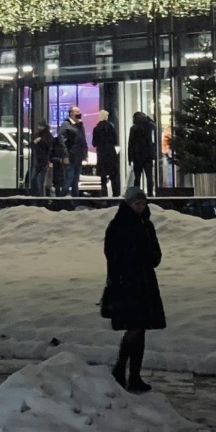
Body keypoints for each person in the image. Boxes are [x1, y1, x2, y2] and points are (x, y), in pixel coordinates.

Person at [101, 189, 165, 393]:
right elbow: (113, 255)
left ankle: (130, 373)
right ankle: (122, 370)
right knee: (135, 327)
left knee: (140, 328)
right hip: (127, 283)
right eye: (137, 204)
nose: (141, 207)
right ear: (128, 204)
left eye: (143, 204)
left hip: (143, 282)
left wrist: (148, 257)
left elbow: (155, 254)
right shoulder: (119, 226)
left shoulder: (145, 224)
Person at [127, 109, 156, 195]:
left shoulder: (133, 128)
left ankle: (137, 194)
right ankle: (150, 193)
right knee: (149, 177)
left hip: (137, 156)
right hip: (148, 155)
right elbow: (155, 125)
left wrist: (130, 158)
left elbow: (130, 144)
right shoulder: (149, 126)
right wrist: (147, 117)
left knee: (137, 177)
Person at [91, 112, 120, 197]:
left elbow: (94, 143)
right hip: (111, 153)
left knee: (103, 178)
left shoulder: (96, 129)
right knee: (113, 176)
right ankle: (116, 195)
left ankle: (104, 196)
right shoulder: (111, 127)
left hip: (101, 154)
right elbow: (115, 140)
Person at [61, 107, 88, 196]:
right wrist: (65, 155)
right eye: (77, 112)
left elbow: (83, 140)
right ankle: (60, 199)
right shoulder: (66, 125)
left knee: (76, 180)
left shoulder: (79, 125)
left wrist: (85, 153)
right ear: (71, 113)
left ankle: (75, 201)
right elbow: (62, 141)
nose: (79, 113)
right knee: (70, 178)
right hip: (70, 156)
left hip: (78, 156)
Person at [29, 123, 55, 195]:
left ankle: (42, 196)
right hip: (37, 160)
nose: (39, 127)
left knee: (41, 180)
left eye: (41, 126)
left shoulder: (48, 136)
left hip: (44, 161)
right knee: (35, 179)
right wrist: (35, 142)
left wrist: (41, 141)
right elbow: (31, 145)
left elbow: (49, 147)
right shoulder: (37, 135)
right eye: (39, 126)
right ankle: (38, 195)